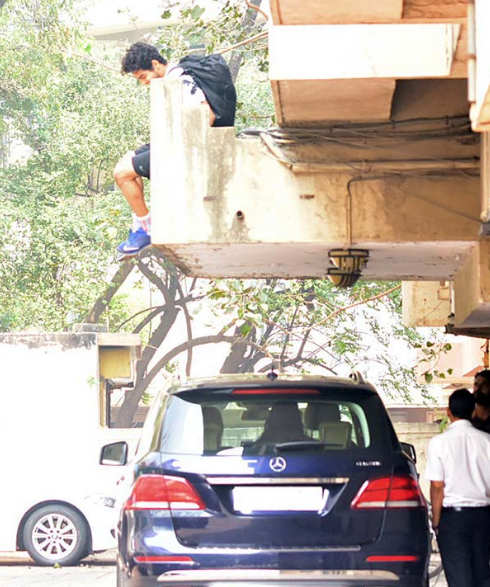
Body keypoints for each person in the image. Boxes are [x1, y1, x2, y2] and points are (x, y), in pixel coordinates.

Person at [113, 42, 230, 257]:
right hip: (169, 142)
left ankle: (146, 229)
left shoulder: (181, 80)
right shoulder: (171, 81)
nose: (144, 83)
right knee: (124, 164)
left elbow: (208, 114)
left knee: (122, 174)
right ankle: (141, 223)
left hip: (183, 149)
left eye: (143, 77)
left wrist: (186, 140)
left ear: (155, 64)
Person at [425, 388, 490, 587]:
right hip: (484, 517)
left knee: (458, 577)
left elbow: (437, 486)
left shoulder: (439, 443)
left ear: (448, 412)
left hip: (453, 518)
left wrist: (436, 522)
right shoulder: (487, 441)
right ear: (473, 411)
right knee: (482, 574)